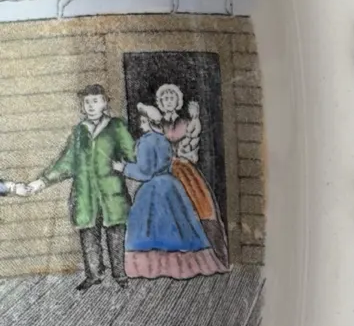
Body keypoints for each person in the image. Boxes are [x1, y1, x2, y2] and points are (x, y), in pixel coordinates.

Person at [28, 85, 136, 292]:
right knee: (88, 234)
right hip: (85, 193)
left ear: (105, 103)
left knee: (115, 233)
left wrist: (125, 165)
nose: (91, 106)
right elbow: (66, 162)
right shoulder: (79, 131)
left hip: (111, 193)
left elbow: (131, 152)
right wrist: (42, 181)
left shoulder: (116, 126)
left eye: (95, 101)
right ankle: (94, 274)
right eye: (87, 102)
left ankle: (120, 275)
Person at [116, 104, 227, 280]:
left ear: (148, 122)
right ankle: (186, 264)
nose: (141, 123)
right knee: (180, 225)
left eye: (143, 120)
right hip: (171, 185)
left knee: (149, 227)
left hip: (153, 189)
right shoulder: (163, 140)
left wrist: (123, 168)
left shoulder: (146, 142)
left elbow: (145, 171)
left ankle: (152, 266)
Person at [155, 83, 229, 267]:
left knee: (199, 205)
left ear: (178, 102)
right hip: (163, 171)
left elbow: (176, 138)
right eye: (165, 98)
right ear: (160, 103)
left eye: (172, 98)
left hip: (183, 170)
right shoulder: (156, 123)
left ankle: (208, 255)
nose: (168, 101)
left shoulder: (185, 123)